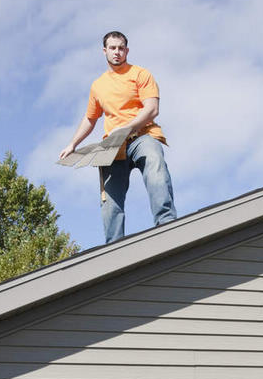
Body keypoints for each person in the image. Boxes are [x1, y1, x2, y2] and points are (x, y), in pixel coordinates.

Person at [60, 30, 176, 243]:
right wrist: (72, 144)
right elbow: (90, 118)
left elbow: (152, 109)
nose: (117, 52)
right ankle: (113, 246)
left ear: (127, 50)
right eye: (112, 48)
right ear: (104, 51)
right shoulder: (98, 85)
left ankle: (166, 223)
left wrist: (127, 128)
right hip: (113, 146)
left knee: (155, 163)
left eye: (121, 48)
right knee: (110, 200)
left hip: (142, 135)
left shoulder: (140, 74)